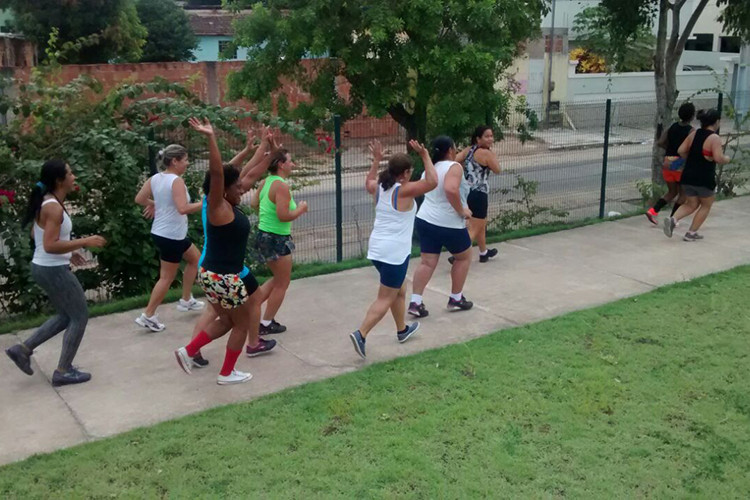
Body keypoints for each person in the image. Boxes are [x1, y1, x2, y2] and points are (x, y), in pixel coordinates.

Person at [174, 118, 273, 385]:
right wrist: (211, 137)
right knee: (240, 323)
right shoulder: (217, 205)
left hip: (213, 274)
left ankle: (189, 350)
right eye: (237, 187)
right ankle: (227, 373)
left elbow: (248, 173)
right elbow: (219, 173)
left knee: (228, 320)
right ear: (223, 189)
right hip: (224, 277)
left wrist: (268, 149)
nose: (242, 188)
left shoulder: (226, 201)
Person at [5, 160, 106, 386]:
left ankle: (22, 349)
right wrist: (85, 241)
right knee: (79, 316)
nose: (74, 177)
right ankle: (63, 370)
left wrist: (69, 253)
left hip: (46, 266)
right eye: (70, 174)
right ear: (60, 180)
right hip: (52, 269)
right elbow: (49, 245)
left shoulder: (48, 202)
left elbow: (36, 235)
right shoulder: (53, 207)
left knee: (65, 316)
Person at [349, 139, 438, 358]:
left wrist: (376, 160)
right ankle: (361, 334)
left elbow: (369, 181)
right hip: (394, 253)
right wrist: (425, 155)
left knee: (400, 289)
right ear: (406, 172)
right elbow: (433, 182)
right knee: (386, 297)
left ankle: (402, 330)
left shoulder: (380, 187)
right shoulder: (404, 190)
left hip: (378, 250)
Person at [134, 145, 204, 332]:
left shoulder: (156, 178)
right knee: (166, 278)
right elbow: (183, 208)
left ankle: (186, 299)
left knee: (196, 259)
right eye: (185, 160)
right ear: (175, 161)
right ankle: (148, 315)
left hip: (166, 233)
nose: (187, 163)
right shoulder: (176, 181)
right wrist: (205, 203)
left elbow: (139, 199)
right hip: (171, 235)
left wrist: (157, 204)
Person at [408, 136, 474, 318]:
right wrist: (461, 211)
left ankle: (415, 302)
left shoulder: (430, 169)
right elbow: (451, 189)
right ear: (451, 150)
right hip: (449, 222)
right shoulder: (455, 167)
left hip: (425, 219)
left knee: (427, 262)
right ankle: (456, 298)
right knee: (464, 257)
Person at [251, 149, 308, 335]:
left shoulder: (266, 182)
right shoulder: (281, 186)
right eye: (290, 161)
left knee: (277, 279)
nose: (293, 164)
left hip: (263, 235)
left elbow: (253, 203)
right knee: (283, 283)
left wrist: (266, 212)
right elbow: (284, 216)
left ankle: (252, 306)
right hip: (277, 238)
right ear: (281, 165)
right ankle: (266, 323)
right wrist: (300, 209)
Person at [663, 109, 730, 241]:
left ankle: (673, 219)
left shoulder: (694, 134)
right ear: (716, 122)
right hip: (704, 176)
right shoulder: (714, 138)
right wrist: (726, 158)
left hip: (688, 175)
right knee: (706, 205)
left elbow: (681, 150)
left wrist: (692, 157)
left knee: (691, 204)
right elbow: (718, 158)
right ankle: (691, 233)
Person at [450, 125, 501, 263]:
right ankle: (457, 255)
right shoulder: (487, 154)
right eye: (487, 136)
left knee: (480, 224)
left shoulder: (469, 150)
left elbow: (454, 160)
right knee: (475, 227)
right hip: (480, 193)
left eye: (491, 136)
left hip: (467, 192)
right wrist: (492, 155)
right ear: (478, 138)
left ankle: (484, 252)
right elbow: (497, 169)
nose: (490, 139)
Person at [646, 102, 696, 225]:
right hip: (681, 164)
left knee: (671, 192)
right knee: (683, 195)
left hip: (668, 162)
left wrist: (670, 148)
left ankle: (652, 211)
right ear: (692, 116)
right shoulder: (691, 131)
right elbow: (692, 148)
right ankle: (673, 218)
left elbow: (660, 142)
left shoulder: (672, 127)